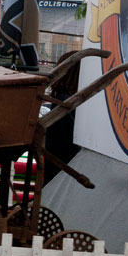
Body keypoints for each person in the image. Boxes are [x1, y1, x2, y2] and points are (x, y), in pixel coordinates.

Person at [43, 50, 81, 183]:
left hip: (57, 172)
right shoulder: (65, 102)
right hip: (63, 174)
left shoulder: (61, 99)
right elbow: (71, 144)